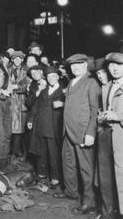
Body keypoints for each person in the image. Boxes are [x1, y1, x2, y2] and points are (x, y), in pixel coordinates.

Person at [55, 54, 100, 216]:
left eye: (79, 64)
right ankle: (71, 191)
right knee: (68, 163)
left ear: (86, 65)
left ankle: (89, 202)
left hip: (82, 132)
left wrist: (90, 133)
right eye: (72, 65)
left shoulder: (91, 82)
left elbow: (95, 110)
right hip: (68, 130)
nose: (75, 68)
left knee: (86, 169)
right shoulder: (71, 82)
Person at [28, 66, 65, 189]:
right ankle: (42, 175)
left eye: (54, 76)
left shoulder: (64, 92)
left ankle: (55, 178)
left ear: (58, 77)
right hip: (41, 126)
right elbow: (35, 107)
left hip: (54, 128)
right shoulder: (43, 91)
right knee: (40, 152)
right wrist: (31, 119)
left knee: (54, 153)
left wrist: (62, 104)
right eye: (49, 77)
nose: (51, 79)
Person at [92, 57, 117, 219]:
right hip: (104, 136)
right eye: (98, 73)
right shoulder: (103, 87)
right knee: (104, 177)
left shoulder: (113, 87)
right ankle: (107, 211)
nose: (101, 76)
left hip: (114, 135)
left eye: (103, 72)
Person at [103, 52, 123, 218]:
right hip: (110, 136)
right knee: (113, 175)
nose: (114, 68)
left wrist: (118, 116)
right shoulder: (109, 85)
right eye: (111, 65)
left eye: (119, 65)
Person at [8, 51, 30, 159]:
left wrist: (16, 87)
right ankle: (11, 151)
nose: (17, 60)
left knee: (20, 129)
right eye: (15, 59)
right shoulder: (7, 70)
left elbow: (28, 86)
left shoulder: (26, 70)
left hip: (21, 102)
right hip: (9, 102)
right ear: (12, 60)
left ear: (22, 60)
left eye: (19, 59)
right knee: (10, 128)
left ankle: (18, 151)